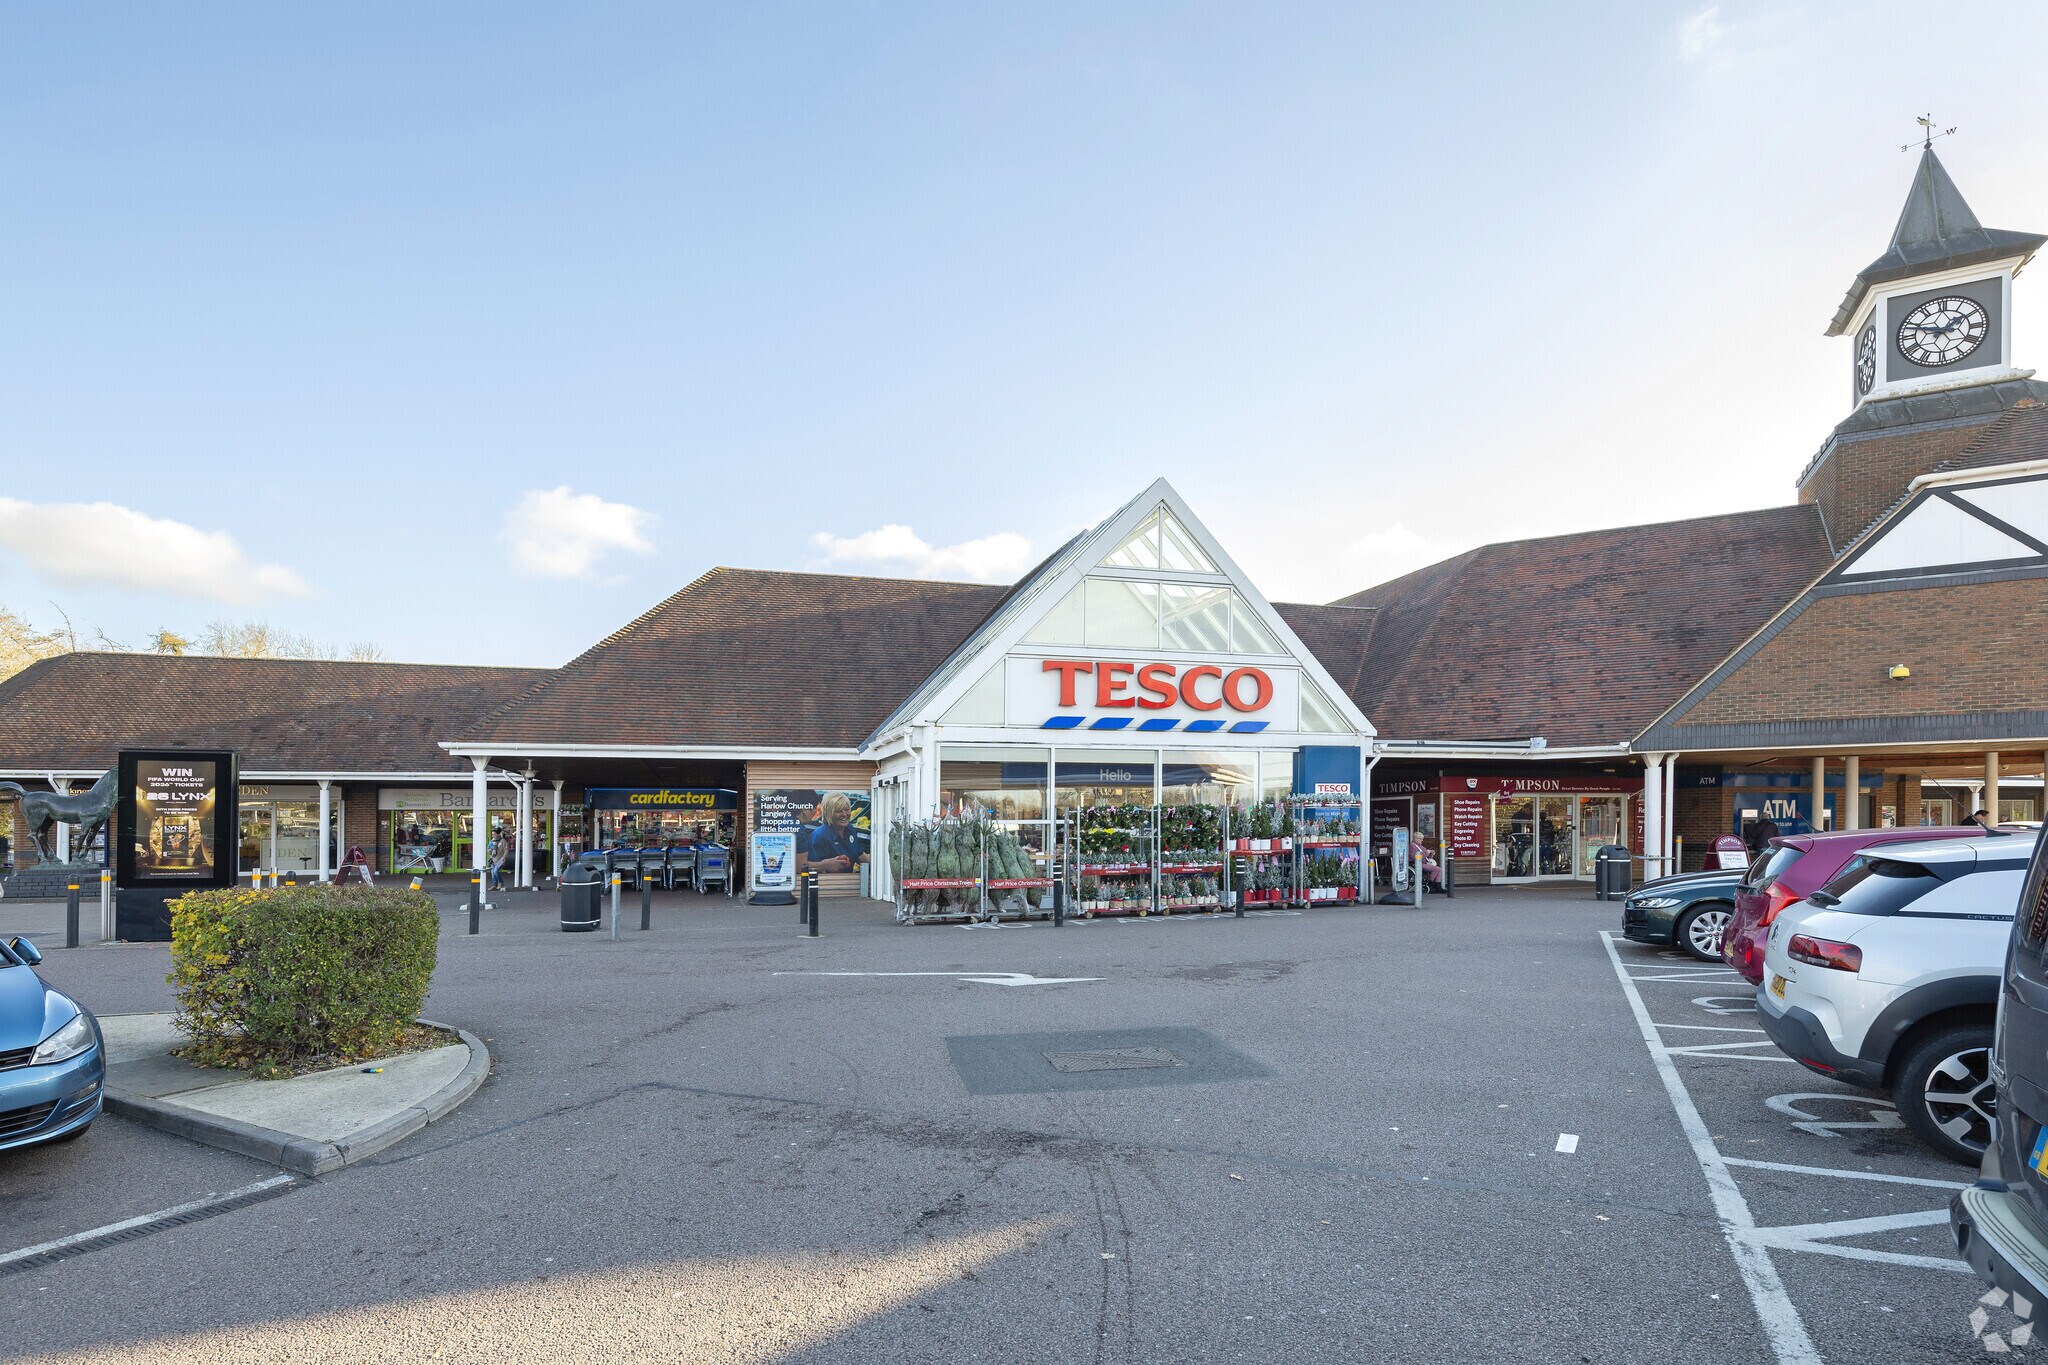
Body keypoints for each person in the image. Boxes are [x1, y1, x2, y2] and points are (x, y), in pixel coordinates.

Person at [799, 792, 868, 874]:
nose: (844, 814)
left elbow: (860, 855)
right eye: (838, 811)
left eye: (847, 809)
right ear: (829, 813)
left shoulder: (850, 829)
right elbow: (817, 870)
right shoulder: (820, 836)